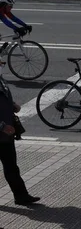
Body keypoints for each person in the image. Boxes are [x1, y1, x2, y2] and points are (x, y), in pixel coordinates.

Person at [0, 75, 41, 205]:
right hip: (3, 130)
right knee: (10, 166)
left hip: (5, 135)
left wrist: (12, 105)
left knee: (11, 166)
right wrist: (2, 126)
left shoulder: (0, 79)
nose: (1, 64)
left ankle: (21, 196)